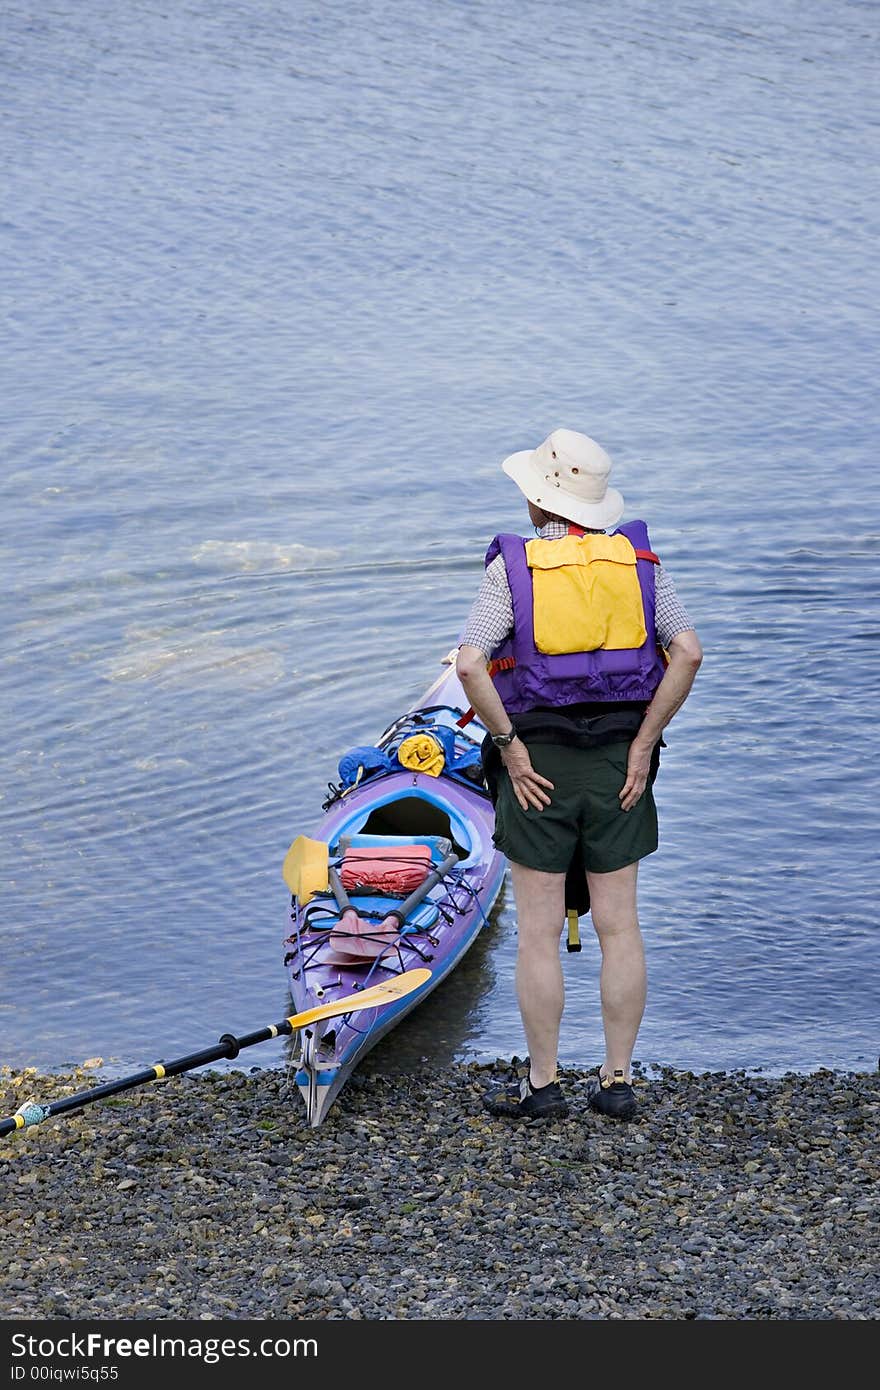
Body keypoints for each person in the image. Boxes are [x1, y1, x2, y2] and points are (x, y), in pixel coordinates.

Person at [456, 428, 702, 1122]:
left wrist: (508, 747)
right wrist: (643, 746)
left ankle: (542, 1085)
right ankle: (616, 1082)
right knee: (620, 927)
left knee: (538, 934)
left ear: (539, 502)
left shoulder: (513, 569)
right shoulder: (640, 564)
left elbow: (471, 664)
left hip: (538, 767)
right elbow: (686, 653)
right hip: (622, 768)